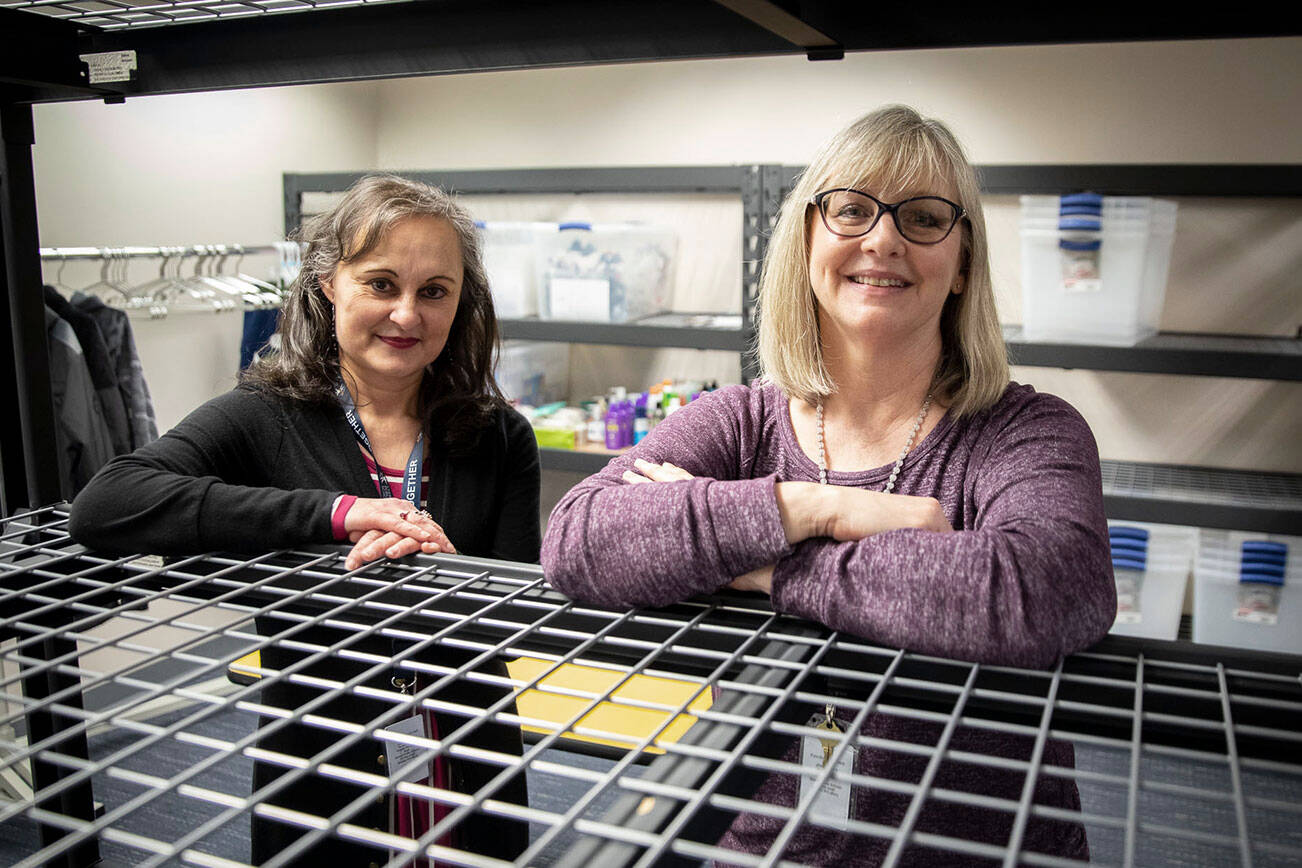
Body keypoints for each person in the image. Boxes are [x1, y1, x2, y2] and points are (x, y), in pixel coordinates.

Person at [541, 106, 1115, 865]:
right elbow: (578, 539)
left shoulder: (1027, 432)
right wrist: (820, 506)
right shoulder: (740, 422)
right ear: (809, 238)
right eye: (851, 209)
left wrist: (766, 564)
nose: (882, 239)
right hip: (766, 848)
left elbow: (1041, 590)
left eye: (922, 217)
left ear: (964, 264)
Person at [70, 174, 540, 865]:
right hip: (316, 763)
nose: (407, 314)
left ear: (459, 300)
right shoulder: (262, 415)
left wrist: (453, 578)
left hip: (469, 758)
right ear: (328, 283)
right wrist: (335, 515)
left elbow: (521, 614)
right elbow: (108, 501)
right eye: (381, 283)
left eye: (433, 291)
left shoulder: (500, 435)